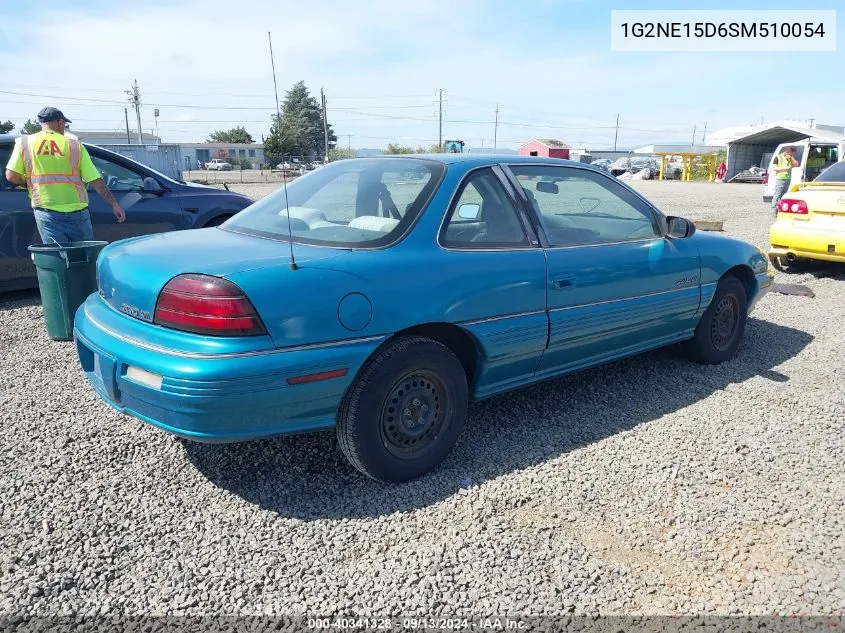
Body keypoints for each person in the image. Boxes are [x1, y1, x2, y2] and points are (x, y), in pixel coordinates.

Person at [4, 107, 126, 244]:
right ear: (59, 122)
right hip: (78, 210)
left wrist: (27, 183)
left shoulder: (24, 143)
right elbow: (95, 180)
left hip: (46, 210)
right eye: (65, 125)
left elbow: (11, 176)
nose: (64, 128)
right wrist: (114, 204)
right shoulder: (74, 146)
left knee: (58, 257)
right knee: (84, 254)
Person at [771, 146, 798, 215]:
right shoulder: (778, 157)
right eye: (791, 153)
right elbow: (773, 168)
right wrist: (784, 168)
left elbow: (796, 164)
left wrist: (791, 158)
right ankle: (774, 210)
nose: (792, 154)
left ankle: (782, 209)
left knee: (784, 195)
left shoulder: (790, 158)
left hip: (787, 178)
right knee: (777, 195)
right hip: (780, 178)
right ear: (787, 151)